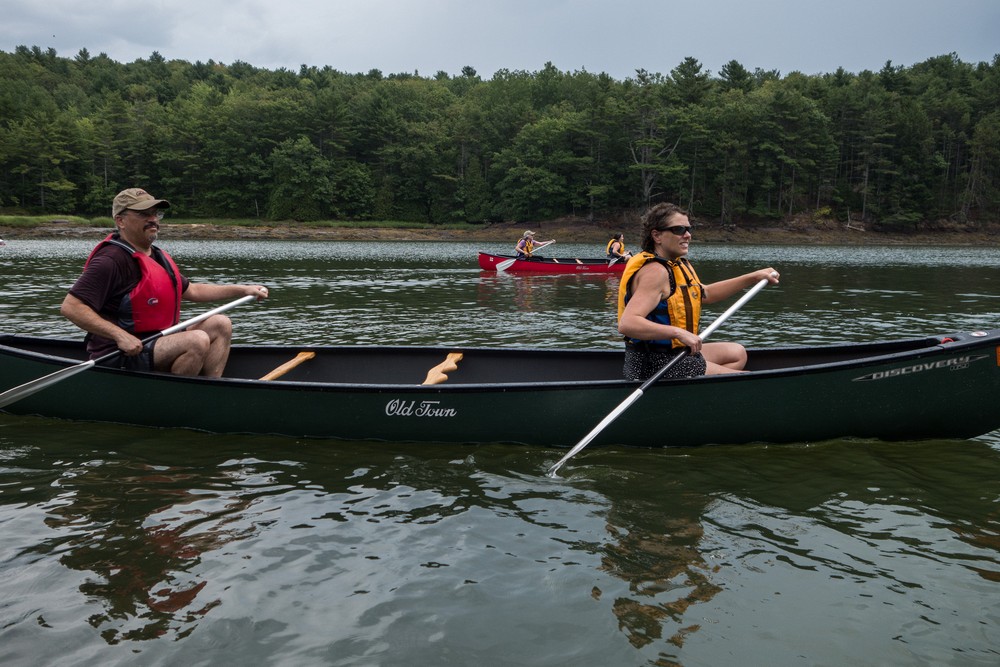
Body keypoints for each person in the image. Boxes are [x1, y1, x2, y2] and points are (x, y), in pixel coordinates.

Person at [60, 188, 269, 377]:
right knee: (197, 340)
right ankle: (177, 399)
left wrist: (242, 290)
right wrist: (120, 336)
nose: (153, 219)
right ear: (120, 221)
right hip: (122, 352)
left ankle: (211, 389)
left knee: (221, 323)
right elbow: (71, 307)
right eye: (143, 214)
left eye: (155, 213)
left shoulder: (157, 256)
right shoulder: (110, 260)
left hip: (158, 342)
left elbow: (193, 290)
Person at [617, 202, 779, 380]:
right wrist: (678, 332)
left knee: (737, 353)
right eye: (678, 229)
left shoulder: (678, 264)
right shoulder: (655, 272)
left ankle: (699, 389)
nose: (687, 235)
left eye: (688, 229)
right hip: (656, 363)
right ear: (657, 235)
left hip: (675, 353)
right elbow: (628, 324)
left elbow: (705, 293)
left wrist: (753, 277)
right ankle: (703, 385)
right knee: (746, 378)